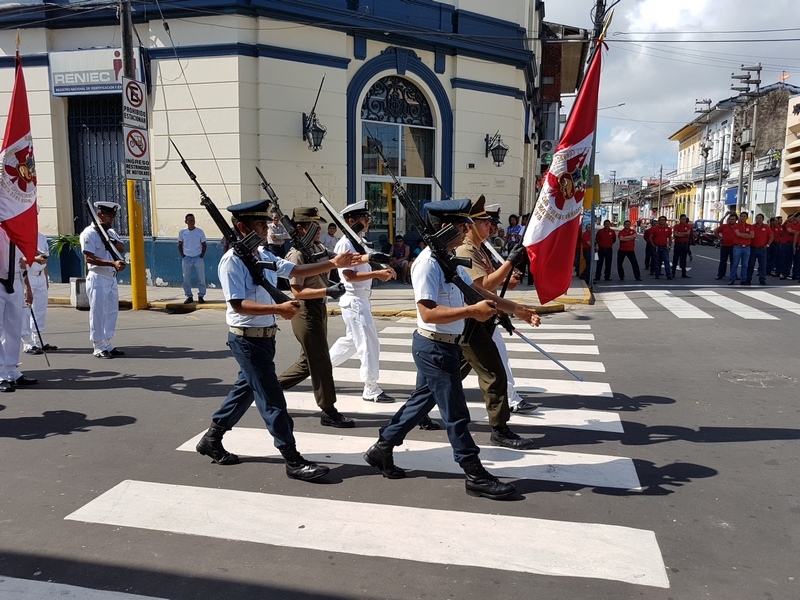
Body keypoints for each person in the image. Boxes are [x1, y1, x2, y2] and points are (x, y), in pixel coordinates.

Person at [362, 199, 541, 500]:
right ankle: (474, 474)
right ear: (446, 229)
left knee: (419, 404)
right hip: (434, 348)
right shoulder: (428, 264)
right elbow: (428, 313)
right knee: (456, 413)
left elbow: (477, 291)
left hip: (445, 346)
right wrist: (470, 313)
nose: (467, 231)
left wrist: (516, 309)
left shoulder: (444, 258)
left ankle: (382, 448)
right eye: (462, 227)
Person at [195, 199, 360, 480]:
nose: (266, 228)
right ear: (241, 227)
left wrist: (332, 263)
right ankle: (292, 459)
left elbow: (293, 271)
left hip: (264, 338)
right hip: (246, 339)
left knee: (244, 390)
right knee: (272, 399)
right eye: (260, 224)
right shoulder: (232, 261)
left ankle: (212, 439)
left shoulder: (260, 253)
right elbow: (237, 304)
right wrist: (277, 308)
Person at [455, 197, 540, 430]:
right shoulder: (465, 249)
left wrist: (504, 310)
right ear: (471, 224)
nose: (490, 227)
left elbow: (490, 287)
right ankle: (504, 418)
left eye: (490, 223)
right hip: (474, 320)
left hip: (486, 317)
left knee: (454, 374)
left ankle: (422, 406)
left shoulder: (480, 249)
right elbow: (483, 285)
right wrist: (509, 263)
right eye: (485, 223)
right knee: (493, 371)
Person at [278, 207, 354, 428]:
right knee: (321, 362)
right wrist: (327, 291)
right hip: (305, 312)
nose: (319, 230)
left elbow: (340, 260)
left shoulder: (318, 247)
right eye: (313, 226)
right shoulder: (297, 254)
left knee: (306, 363)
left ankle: (267, 387)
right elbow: (297, 292)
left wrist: (372, 259)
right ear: (300, 228)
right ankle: (328, 411)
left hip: (319, 309)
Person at [329, 200, 397, 403]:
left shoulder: (358, 240)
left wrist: (384, 268)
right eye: (364, 218)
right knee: (368, 344)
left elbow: (369, 260)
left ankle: (319, 368)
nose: (368, 221)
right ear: (352, 220)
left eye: (368, 218)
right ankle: (371, 388)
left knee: (351, 342)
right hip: (354, 300)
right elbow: (348, 275)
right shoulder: (345, 243)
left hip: (361, 300)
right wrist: (377, 274)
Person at [80, 201, 127, 359]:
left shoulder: (110, 232)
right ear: (99, 214)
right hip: (98, 276)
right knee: (98, 312)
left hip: (111, 277)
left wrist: (110, 240)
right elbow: (89, 257)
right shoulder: (90, 233)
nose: (112, 218)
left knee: (111, 311)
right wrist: (112, 263)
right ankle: (98, 345)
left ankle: (107, 342)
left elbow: (121, 248)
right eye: (108, 215)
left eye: (113, 215)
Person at [0, 227, 37, 392]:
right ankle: (0, 373)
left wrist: (26, 286)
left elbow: (21, 263)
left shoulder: (15, 229)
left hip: (14, 281)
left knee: (14, 329)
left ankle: (11, 369)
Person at [21, 232, 57, 355]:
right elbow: (19, 261)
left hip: (40, 276)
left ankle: (38, 339)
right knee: (26, 310)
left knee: (40, 309)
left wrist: (46, 278)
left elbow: (45, 260)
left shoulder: (41, 237)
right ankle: (27, 342)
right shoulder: (20, 235)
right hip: (28, 276)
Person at [178, 213, 207, 304]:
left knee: (201, 278)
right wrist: (183, 256)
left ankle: (201, 296)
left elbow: (204, 245)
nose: (192, 222)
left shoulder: (199, 231)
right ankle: (189, 296)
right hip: (187, 258)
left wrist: (201, 255)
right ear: (186, 222)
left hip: (198, 257)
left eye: (193, 220)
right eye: (190, 220)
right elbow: (179, 245)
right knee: (186, 278)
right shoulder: (182, 232)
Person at [744, 213, 774, 286]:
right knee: (750, 265)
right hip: (752, 248)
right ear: (755, 219)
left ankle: (762, 279)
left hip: (762, 249)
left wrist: (767, 245)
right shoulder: (752, 227)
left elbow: (772, 236)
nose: (758, 219)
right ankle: (748, 279)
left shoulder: (766, 227)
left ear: (763, 219)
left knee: (762, 265)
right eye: (757, 218)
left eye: (760, 218)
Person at [729, 211, 754, 285]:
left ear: (747, 218)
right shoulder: (736, 226)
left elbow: (752, 236)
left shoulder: (750, 226)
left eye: (744, 216)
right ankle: (732, 279)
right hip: (738, 247)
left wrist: (742, 235)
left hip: (747, 247)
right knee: (735, 264)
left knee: (745, 264)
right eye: (741, 216)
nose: (743, 218)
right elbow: (738, 234)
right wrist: (747, 235)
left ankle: (743, 279)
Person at [715, 212, 738, 280]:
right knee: (723, 261)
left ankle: (733, 274)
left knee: (733, 262)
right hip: (724, 246)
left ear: (735, 220)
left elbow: (740, 221)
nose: (732, 220)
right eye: (731, 219)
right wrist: (719, 237)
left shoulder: (738, 226)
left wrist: (736, 214)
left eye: (733, 219)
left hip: (734, 246)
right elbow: (716, 230)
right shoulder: (724, 226)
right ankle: (720, 274)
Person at [650, 215, 673, 280]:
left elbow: (670, 238)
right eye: (661, 220)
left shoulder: (668, 229)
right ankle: (657, 274)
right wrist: (652, 244)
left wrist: (669, 246)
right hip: (657, 246)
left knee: (666, 261)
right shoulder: (655, 228)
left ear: (665, 221)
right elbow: (651, 237)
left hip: (664, 247)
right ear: (659, 221)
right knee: (656, 261)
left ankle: (668, 274)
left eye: (663, 220)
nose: (662, 221)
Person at [671, 214, 692, 278]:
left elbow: (688, 233)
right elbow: (675, 234)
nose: (683, 220)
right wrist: (683, 234)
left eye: (685, 219)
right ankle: (673, 273)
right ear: (680, 219)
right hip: (678, 244)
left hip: (685, 244)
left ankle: (684, 273)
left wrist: (679, 233)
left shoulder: (688, 226)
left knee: (683, 259)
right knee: (675, 258)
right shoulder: (676, 226)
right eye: (682, 219)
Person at [778, 213, 796, 280]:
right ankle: (782, 273)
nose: (793, 219)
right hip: (785, 244)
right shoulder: (787, 224)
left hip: (792, 243)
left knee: (790, 260)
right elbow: (790, 231)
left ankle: (787, 273)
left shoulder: (796, 225)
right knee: (784, 259)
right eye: (791, 218)